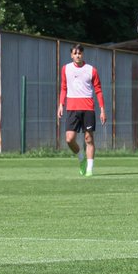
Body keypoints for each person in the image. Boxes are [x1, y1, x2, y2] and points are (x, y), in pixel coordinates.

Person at [57, 44, 105, 176]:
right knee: (69, 139)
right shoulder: (65, 69)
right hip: (72, 108)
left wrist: (102, 110)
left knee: (89, 139)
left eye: (80, 53)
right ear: (71, 55)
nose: (77, 55)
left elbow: (98, 90)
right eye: (75, 53)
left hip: (88, 108)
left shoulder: (91, 70)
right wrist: (61, 104)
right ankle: (81, 157)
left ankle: (89, 169)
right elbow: (63, 87)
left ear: (83, 54)